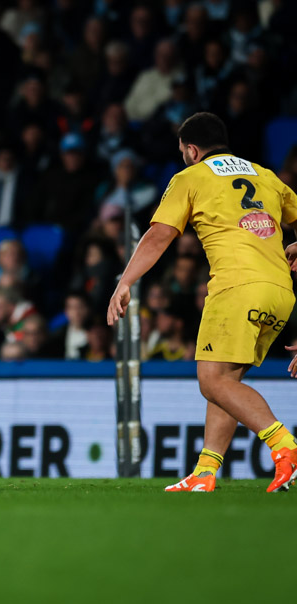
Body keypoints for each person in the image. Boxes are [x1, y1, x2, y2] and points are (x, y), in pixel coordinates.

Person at [107, 112, 297, 493]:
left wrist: (125, 281)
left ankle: (285, 447)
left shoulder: (191, 177)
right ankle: (206, 471)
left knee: (211, 381)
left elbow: (160, 233)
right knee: (226, 380)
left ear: (191, 150)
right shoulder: (266, 175)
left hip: (236, 286)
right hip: (280, 291)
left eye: (182, 152)